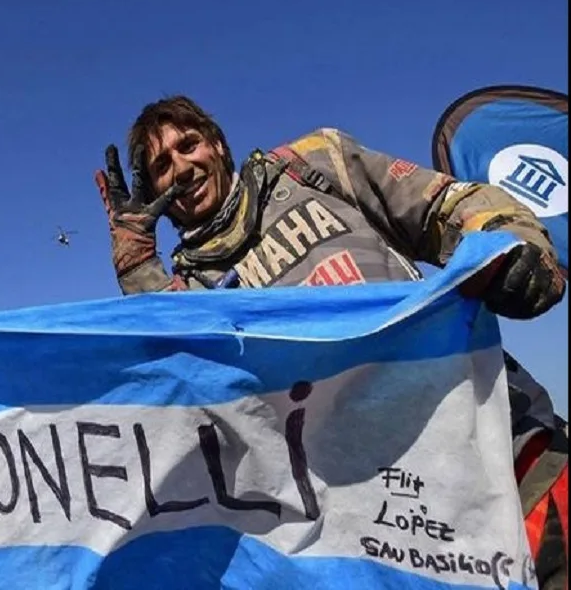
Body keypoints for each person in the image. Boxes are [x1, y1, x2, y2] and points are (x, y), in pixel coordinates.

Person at [92, 95, 567, 588]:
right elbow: (185, 396)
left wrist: (512, 243)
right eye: (162, 166)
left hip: (505, 450)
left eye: (188, 145)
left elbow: (443, 204)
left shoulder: (313, 163)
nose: (181, 168)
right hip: (390, 531)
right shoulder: (186, 295)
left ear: (216, 143)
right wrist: (138, 270)